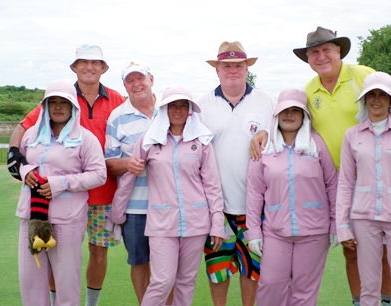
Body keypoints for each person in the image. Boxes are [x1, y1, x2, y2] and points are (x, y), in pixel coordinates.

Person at [250, 26, 391, 306]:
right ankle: (362, 301)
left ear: (339, 52)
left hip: (377, 175)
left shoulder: (362, 75)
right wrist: (263, 129)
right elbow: (288, 110)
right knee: (353, 249)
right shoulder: (310, 89)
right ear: (308, 59)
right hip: (342, 182)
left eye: (326, 50)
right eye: (314, 52)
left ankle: (389, 300)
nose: (321, 57)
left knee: (385, 251)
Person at [7, 44, 125, 306]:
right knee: (35, 273)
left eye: (95, 62)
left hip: (89, 202)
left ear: (104, 68)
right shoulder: (37, 127)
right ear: (74, 67)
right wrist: (18, 162)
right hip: (37, 212)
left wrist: (60, 183)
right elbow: (23, 135)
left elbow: (99, 171)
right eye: (83, 62)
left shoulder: (114, 103)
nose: (89, 67)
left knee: (88, 258)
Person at [111, 85, 227, 305]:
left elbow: (212, 185)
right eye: (173, 105)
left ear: (190, 110)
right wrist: (117, 215)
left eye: (184, 106)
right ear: (164, 109)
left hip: (196, 222)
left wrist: (217, 223)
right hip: (161, 223)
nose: (178, 110)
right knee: (162, 281)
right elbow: (129, 176)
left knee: (186, 281)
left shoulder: (201, 141)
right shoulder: (149, 139)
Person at [197, 41, 276, 306]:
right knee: (218, 271)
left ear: (247, 69)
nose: (233, 70)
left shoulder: (267, 102)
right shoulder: (202, 106)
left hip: (256, 207)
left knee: (251, 270)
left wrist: (268, 133)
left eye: (238, 66)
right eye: (226, 66)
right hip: (216, 207)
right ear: (217, 70)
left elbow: (284, 136)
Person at [16, 79, 106, 306]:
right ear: (44, 106)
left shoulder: (86, 138)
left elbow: (98, 174)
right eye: (52, 102)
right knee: (30, 280)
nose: (57, 107)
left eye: (63, 102)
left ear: (73, 106)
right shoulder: (32, 135)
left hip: (68, 219)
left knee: (67, 281)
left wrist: (60, 183)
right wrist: (25, 170)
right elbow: (21, 162)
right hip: (32, 216)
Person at [245, 88, 338, 305]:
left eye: (296, 110)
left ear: (304, 116)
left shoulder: (317, 144)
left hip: (314, 232)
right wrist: (253, 232)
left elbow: (332, 185)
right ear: (277, 114)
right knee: (270, 285)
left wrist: (336, 225)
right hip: (276, 231)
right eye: (285, 110)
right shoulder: (264, 147)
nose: (290, 115)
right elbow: (254, 192)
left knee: (304, 291)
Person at [337, 71, 391, 306]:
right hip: (364, 219)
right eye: (371, 95)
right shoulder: (352, 135)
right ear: (364, 99)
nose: (376, 100)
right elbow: (345, 182)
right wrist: (343, 226)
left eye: (382, 95)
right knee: (368, 291)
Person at [105, 60, 174, 304]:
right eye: (130, 81)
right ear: (124, 85)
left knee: (166, 268)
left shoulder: (169, 110)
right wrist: (128, 165)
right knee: (139, 262)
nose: (136, 84)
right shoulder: (117, 117)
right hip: (135, 207)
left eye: (140, 78)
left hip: (168, 204)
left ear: (151, 79)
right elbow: (109, 163)